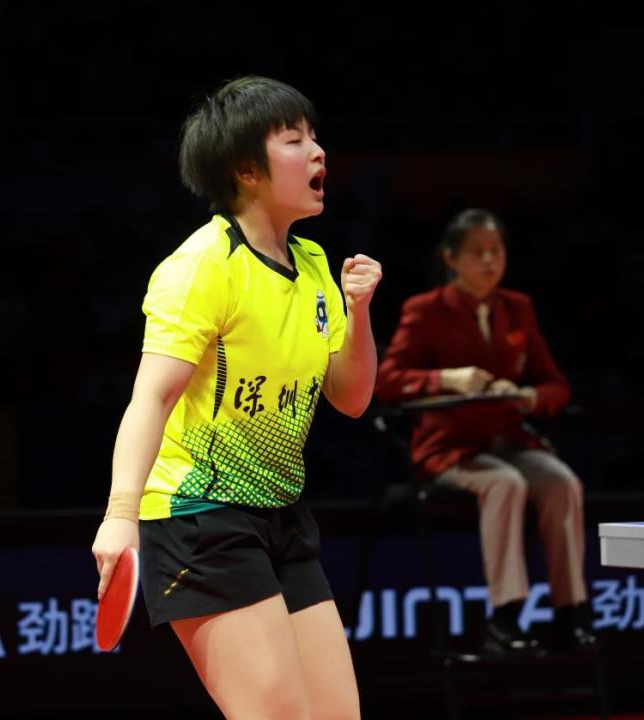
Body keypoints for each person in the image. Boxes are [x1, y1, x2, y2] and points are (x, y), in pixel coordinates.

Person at [90, 76, 382, 718]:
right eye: (294, 140)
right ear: (246, 169)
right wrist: (119, 514)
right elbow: (150, 399)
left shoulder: (313, 266)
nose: (318, 152)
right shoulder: (202, 267)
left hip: (282, 513)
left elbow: (352, 398)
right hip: (200, 517)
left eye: (315, 137)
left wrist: (358, 310)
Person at [374, 208, 595, 653]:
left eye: (497, 251)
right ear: (451, 258)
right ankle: (505, 616)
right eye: (478, 252)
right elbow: (387, 381)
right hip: (450, 449)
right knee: (505, 483)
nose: (490, 261)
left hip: (508, 440)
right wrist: (447, 379)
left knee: (562, 483)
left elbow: (555, 384)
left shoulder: (517, 308)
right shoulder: (425, 310)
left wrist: (530, 396)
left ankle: (570, 612)